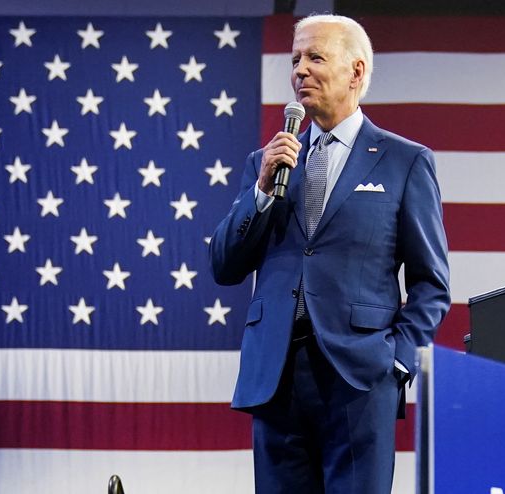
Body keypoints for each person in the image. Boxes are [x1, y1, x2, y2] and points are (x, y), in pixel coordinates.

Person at [209, 13, 450, 494]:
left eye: (315, 57)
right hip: (275, 377)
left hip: (360, 378)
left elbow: (431, 284)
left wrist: (395, 363)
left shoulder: (405, 161)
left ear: (356, 72)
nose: (299, 70)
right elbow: (224, 265)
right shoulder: (267, 163)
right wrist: (259, 195)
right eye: (295, 59)